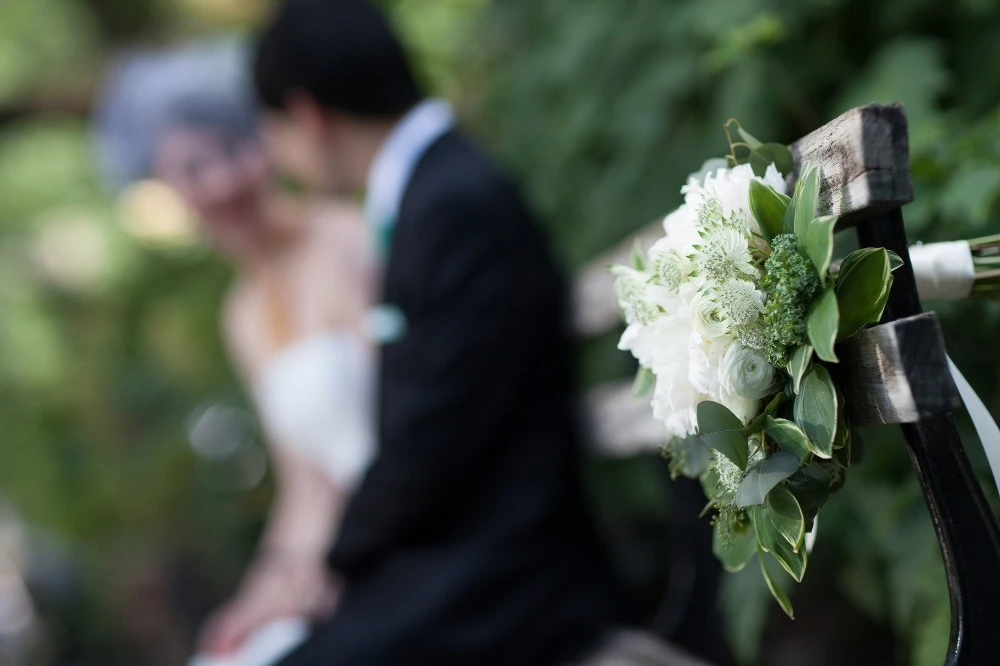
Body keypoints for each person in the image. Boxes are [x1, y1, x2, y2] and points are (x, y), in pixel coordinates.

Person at [251, 2, 642, 664]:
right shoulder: (436, 193)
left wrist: (331, 562)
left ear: (308, 114)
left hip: (511, 581)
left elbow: (429, 438)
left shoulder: (452, 203)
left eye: (273, 131)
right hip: (470, 560)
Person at [93, 39, 378, 665]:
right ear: (169, 191)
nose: (222, 182)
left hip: (401, 534)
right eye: (193, 171)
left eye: (232, 151)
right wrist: (262, 592)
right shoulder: (240, 315)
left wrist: (327, 569)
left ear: (266, 143)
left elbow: (406, 425)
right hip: (346, 552)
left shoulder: (349, 242)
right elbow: (306, 487)